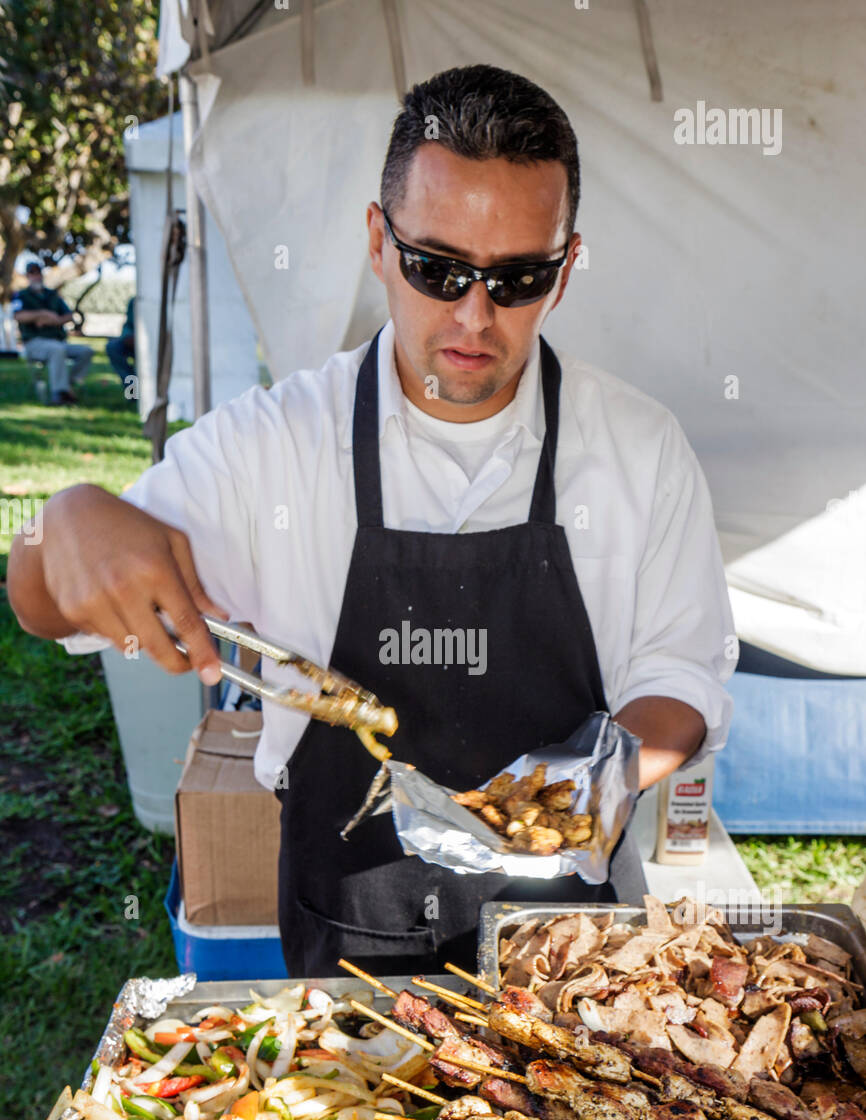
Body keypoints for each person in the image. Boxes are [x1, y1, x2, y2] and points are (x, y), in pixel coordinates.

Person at [8, 65, 737, 978]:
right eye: (437, 268)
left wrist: (596, 777)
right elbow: (43, 604)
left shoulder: (639, 450)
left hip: (576, 954)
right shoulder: (273, 446)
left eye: (518, 278)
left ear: (565, 269)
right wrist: (64, 522)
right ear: (377, 242)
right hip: (352, 949)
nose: (474, 315)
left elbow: (682, 668)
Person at [11, 262, 93, 405]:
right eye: (32, 273)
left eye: (38, 273)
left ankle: (68, 385)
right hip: (35, 342)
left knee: (86, 351)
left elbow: (69, 316)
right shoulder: (21, 295)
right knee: (56, 349)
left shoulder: (53, 294)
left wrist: (54, 320)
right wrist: (41, 314)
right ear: (27, 276)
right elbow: (18, 316)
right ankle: (60, 394)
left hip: (58, 341)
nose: (36, 276)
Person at [106, 296, 135, 390]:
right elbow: (129, 325)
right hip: (134, 341)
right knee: (113, 347)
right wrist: (127, 336)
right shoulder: (135, 301)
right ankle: (132, 388)